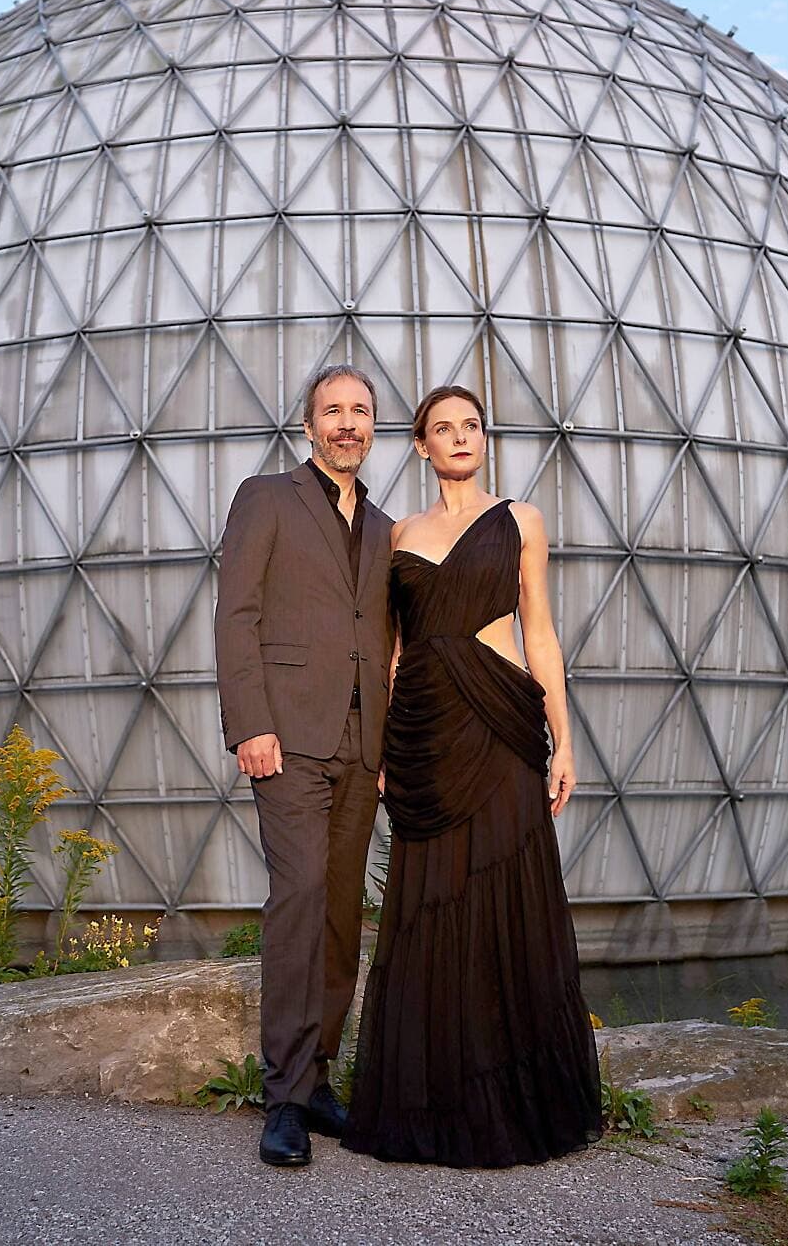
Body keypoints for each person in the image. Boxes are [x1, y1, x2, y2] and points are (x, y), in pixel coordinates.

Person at [342, 383, 602, 1167]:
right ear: (421, 445)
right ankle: (432, 1099)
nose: (460, 437)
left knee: (508, 899)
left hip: (501, 720)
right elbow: (390, 651)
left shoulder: (521, 520)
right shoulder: (396, 535)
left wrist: (564, 737)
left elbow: (542, 633)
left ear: (483, 438)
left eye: (472, 425)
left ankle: (515, 1099)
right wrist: (384, 746)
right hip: (425, 729)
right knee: (431, 907)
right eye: (443, 429)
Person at [213, 363, 395, 1168]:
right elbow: (237, 615)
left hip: (363, 744)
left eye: (360, 410)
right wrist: (250, 722)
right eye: (333, 410)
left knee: (342, 908)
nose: (347, 423)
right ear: (309, 422)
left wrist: (388, 746)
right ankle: (283, 1096)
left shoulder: (385, 526)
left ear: (372, 425)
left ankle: (318, 1077)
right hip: (286, 737)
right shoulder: (267, 497)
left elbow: (382, 634)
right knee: (300, 894)